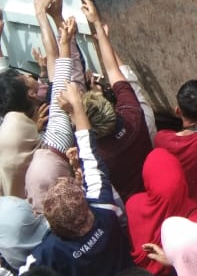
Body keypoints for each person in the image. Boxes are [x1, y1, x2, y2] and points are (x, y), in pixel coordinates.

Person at [19, 80, 133, 275]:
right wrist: (77, 108)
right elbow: (90, 155)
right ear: (84, 201)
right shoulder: (104, 209)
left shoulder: (47, 252)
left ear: (52, 225)